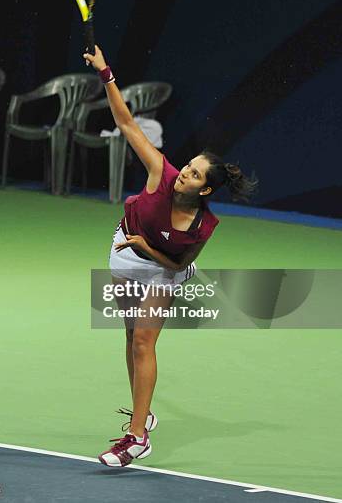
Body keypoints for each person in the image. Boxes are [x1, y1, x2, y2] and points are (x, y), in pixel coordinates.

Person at [83, 45, 258, 468]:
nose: (185, 172)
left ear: (205, 191)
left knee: (144, 341)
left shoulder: (203, 226)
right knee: (130, 338)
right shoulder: (161, 171)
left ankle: (137, 437)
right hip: (125, 253)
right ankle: (142, 412)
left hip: (163, 267)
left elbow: (178, 266)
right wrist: (107, 73)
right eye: (190, 166)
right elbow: (125, 122)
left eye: (195, 174)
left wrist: (148, 249)